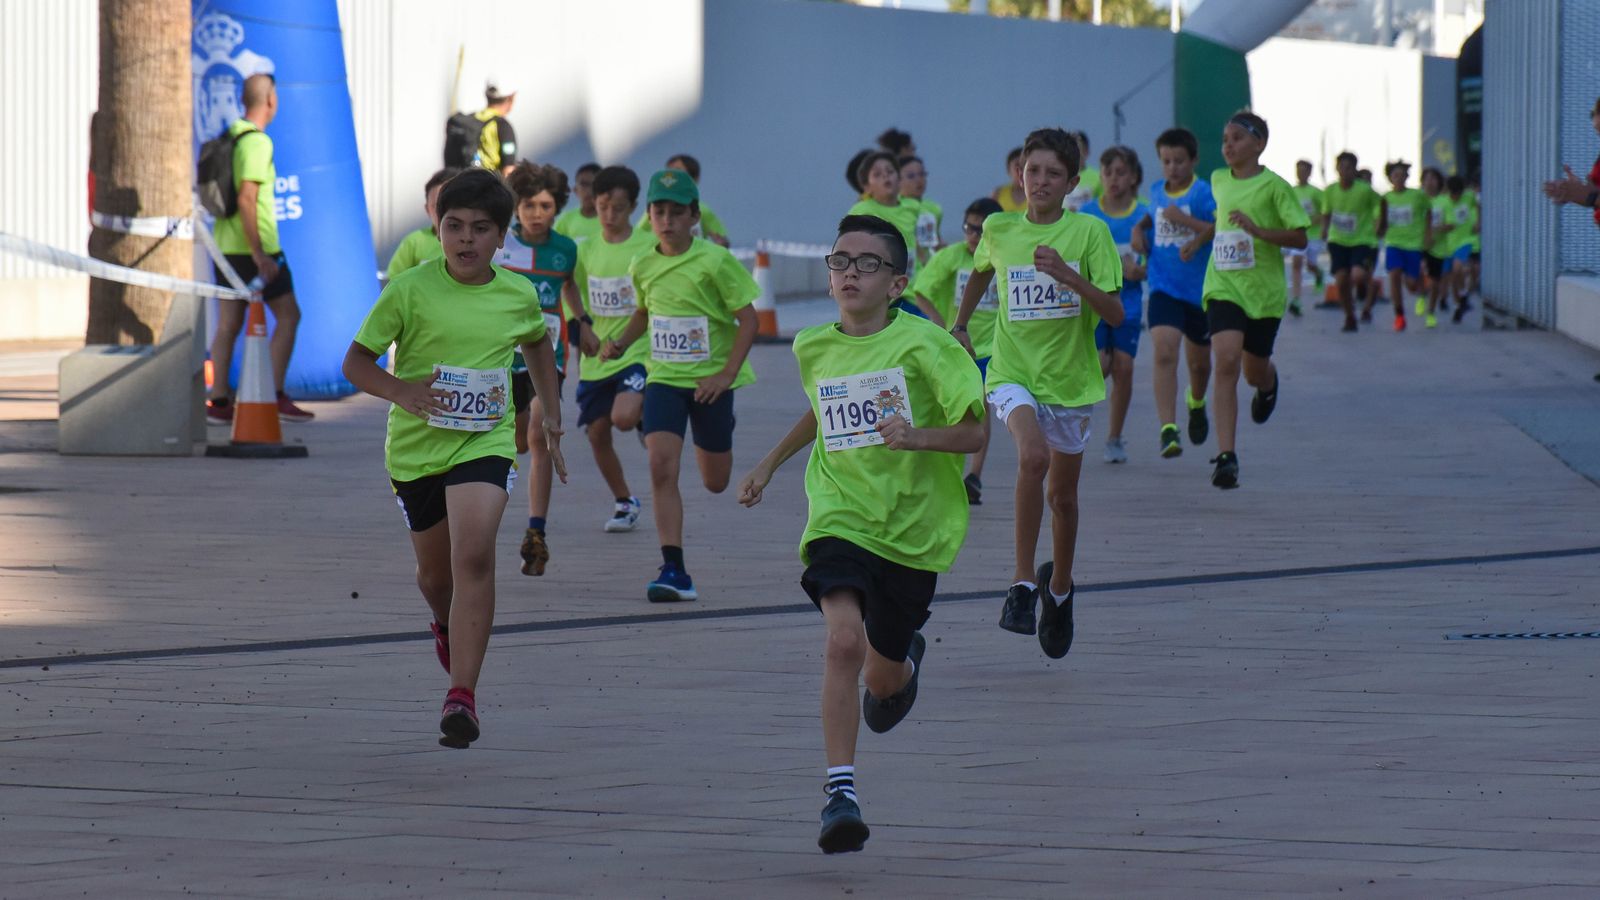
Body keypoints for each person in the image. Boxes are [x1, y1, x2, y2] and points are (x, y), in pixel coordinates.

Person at [737, 214, 984, 855]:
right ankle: (839, 793)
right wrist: (768, 463)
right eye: (840, 261)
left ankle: (903, 664)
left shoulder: (931, 348)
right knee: (842, 642)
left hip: (913, 530)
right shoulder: (812, 344)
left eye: (867, 264)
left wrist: (918, 437)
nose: (849, 272)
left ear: (898, 283)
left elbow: (976, 432)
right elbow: (823, 409)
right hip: (839, 516)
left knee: (881, 681)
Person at [340, 168, 566, 748]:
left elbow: (539, 345)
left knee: (474, 555)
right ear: (437, 229)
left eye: (480, 229)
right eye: (454, 226)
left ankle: (461, 696)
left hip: (483, 441)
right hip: (416, 450)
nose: (465, 239)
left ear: (501, 236)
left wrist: (552, 410)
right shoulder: (410, 288)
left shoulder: (516, 293)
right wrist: (403, 392)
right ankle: (444, 622)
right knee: (437, 577)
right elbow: (356, 363)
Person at [951, 127, 1124, 660]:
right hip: (1010, 372)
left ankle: (1061, 588)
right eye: (1032, 171)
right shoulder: (999, 228)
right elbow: (980, 272)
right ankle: (1023, 584)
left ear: (1072, 181)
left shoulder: (1090, 233)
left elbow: (1116, 313)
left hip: (1069, 383)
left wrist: (1071, 278)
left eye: (1053, 173)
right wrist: (960, 325)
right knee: (1031, 457)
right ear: (1018, 175)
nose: (1041, 181)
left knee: (1062, 497)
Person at [599, 170, 760, 602]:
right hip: (665, 377)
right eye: (659, 212)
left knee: (715, 481)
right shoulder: (643, 263)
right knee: (660, 466)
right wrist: (618, 343)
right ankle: (674, 569)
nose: (666, 220)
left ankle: (719, 429)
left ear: (694, 216)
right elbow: (644, 313)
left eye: (676, 212)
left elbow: (749, 319)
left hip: (711, 383)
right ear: (648, 216)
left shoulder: (715, 261)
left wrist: (725, 375)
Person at [1202, 112, 1309, 489]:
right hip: (1223, 286)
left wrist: (1258, 231)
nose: (1228, 145)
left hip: (1263, 294)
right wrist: (1197, 238)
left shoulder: (1275, 187)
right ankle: (1227, 456)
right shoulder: (1217, 180)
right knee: (1226, 359)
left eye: (1236, 138)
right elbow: (1220, 223)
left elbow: (1300, 238)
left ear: (1259, 144)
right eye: (1224, 139)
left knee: (1252, 370)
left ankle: (1268, 383)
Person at [206, 73, 315, 426]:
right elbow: (247, 196)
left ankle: (220, 400)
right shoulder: (257, 142)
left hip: (224, 246)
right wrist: (259, 254)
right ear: (270, 99)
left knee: (229, 324)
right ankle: (273, 393)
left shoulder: (230, 135)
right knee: (289, 315)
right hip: (255, 251)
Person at [495, 162, 581, 576]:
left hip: (549, 357)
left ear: (557, 207)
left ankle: (536, 530)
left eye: (545, 206)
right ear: (516, 206)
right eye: (528, 205)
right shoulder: (501, 246)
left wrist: (584, 326)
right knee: (517, 439)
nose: (536, 213)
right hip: (502, 356)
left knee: (540, 431)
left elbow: (569, 287)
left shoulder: (565, 249)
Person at [572, 165, 655, 533]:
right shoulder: (586, 249)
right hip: (596, 357)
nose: (609, 215)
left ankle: (641, 416)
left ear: (633, 207)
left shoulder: (647, 248)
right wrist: (582, 324)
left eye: (618, 208)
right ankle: (625, 501)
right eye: (603, 206)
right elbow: (568, 287)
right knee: (597, 433)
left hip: (637, 351)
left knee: (622, 417)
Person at [907, 197, 1002, 503]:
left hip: (994, 347)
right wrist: (939, 323)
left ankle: (975, 475)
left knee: (981, 403)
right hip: (958, 345)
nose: (973, 236)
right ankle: (945, 468)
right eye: (968, 228)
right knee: (951, 408)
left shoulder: (1007, 258)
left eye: (981, 231)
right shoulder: (951, 257)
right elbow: (921, 289)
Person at [1133, 127, 1214, 460]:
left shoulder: (1203, 192)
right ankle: (1168, 428)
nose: (1173, 168)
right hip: (1163, 286)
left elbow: (1220, 226)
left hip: (1200, 292)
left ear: (1193, 160)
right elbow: (1151, 219)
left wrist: (1188, 226)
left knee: (1198, 365)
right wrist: (1139, 230)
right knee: (1165, 352)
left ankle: (1196, 401)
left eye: (1179, 161)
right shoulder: (1156, 191)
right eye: (1166, 161)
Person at [1080, 146, 1150, 465]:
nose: (1113, 179)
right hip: (1094, 303)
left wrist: (1141, 270)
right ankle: (1071, 427)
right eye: (1107, 172)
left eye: (1121, 172)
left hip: (1129, 302)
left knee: (1124, 366)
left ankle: (1114, 438)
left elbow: (1156, 260)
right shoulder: (1088, 215)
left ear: (1134, 177)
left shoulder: (1143, 214)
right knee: (1100, 366)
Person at [1322, 151, 1381, 332]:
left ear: (1355, 170)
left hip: (1362, 240)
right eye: (1342, 167)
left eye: (1349, 168)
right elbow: (1327, 212)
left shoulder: (1364, 190)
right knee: (1341, 280)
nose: (1345, 171)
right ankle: (1350, 316)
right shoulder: (1330, 190)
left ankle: (1365, 290)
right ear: (1337, 168)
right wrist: (1324, 229)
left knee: (1356, 276)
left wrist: (1378, 224)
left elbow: (1378, 207)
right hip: (1338, 240)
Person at [849, 152, 923, 277]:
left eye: (890, 171)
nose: (885, 176)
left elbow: (920, 245)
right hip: (880, 285)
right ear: (867, 187)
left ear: (899, 179)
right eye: (877, 174)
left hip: (913, 283)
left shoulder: (913, 207)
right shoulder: (860, 211)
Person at [1377, 161, 1429, 332]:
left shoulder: (1417, 196)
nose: (1399, 179)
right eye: (1395, 176)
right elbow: (1380, 220)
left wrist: (1428, 233)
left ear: (1407, 177)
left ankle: (1420, 286)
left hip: (1413, 244)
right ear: (1390, 179)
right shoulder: (1385, 199)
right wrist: (1378, 229)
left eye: (1402, 175)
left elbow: (1428, 211)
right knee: (1394, 274)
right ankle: (1399, 315)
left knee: (1411, 284)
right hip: (1393, 243)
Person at [636, 154, 730, 247]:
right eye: (668, 173)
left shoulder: (703, 210)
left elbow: (722, 241)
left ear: (695, 179)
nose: (667, 220)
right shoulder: (654, 208)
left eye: (678, 212)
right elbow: (636, 236)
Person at [386, 167, 459, 280]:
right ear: (427, 210)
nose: (444, 213)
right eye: (437, 206)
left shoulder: (475, 240)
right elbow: (394, 283)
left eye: (451, 204)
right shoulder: (413, 242)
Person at [1287, 159, 1326, 317]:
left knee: (1310, 265)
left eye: (1304, 170)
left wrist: (1313, 223)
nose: (1300, 173)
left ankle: (1318, 274)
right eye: (1298, 170)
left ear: (1309, 173)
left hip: (1313, 235)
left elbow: (1325, 212)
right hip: (1297, 235)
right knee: (1297, 263)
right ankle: (1296, 300)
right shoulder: (1291, 191)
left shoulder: (1316, 193)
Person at [1420, 166, 1452, 328]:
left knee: (1434, 282)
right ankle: (1420, 295)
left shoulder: (1445, 201)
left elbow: (1451, 224)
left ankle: (1431, 312)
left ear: (1439, 182)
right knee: (1415, 274)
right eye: (1426, 179)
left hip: (1437, 247)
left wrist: (1435, 229)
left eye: (1433, 179)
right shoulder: (1417, 200)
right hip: (1418, 244)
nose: (1430, 182)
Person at [898, 156, 943, 256]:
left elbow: (936, 239)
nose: (918, 180)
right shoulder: (895, 206)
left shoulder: (934, 208)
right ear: (897, 180)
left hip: (929, 265)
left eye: (922, 174)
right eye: (911, 176)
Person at [472, 80, 518, 175]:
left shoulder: (471, 119)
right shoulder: (503, 126)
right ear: (510, 98)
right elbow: (508, 169)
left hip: (463, 183)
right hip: (488, 183)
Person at [553, 162, 602, 243]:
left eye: (595, 185)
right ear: (575, 190)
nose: (590, 190)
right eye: (584, 184)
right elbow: (553, 248)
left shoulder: (610, 221)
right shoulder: (566, 220)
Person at [1064, 130, 1103, 213]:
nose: (1074, 153)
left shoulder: (1099, 177)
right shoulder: (1059, 176)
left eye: (1078, 149)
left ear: (1087, 152)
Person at [992, 146, 1026, 213]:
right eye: (1017, 165)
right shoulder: (998, 194)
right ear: (1008, 170)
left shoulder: (1037, 194)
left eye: (1024, 165)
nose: (1021, 170)